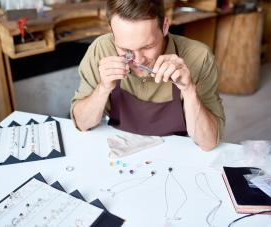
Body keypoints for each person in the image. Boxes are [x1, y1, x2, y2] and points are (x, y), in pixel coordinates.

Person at [70, 0, 225, 151]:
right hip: (120, 147)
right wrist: (103, 88)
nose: (138, 60)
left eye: (147, 46)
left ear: (164, 27)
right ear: (112, 31)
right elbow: (82, 123)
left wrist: (189, 90)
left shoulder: (199, 57)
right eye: (125, 50)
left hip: (178, 151)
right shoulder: (101, 49)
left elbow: (208, 142)